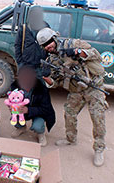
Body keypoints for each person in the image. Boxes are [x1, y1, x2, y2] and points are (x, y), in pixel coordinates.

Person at [36, 27, 108, 166]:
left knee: (97, 117)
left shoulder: (73, 44)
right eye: (45, 46)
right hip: (76, 90)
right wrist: (46, 77)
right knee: (69, 112)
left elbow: (97, 55)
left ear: (55, 38)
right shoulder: (52, 60)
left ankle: (99, 149)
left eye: (49, 42)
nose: (48, 46)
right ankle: (70, 138)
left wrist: (77, 52)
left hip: (93, 86)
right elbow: (55, 83)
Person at [10, 65, 56, 146]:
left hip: (38, 113)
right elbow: (11, 100)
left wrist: (28, 110)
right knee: (14, 117)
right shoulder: (15, 86)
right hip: (22, 111)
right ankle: (21, 128)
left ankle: (41, 134)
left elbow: (46, 110)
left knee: (37, 126)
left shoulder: (42, 89)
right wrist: (11, 106)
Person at [14, 6, 49, 74]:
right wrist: (20, 63)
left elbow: (50, 44)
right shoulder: (24, 28)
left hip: (40, 66)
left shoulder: (45, 27)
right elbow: (17, 46)